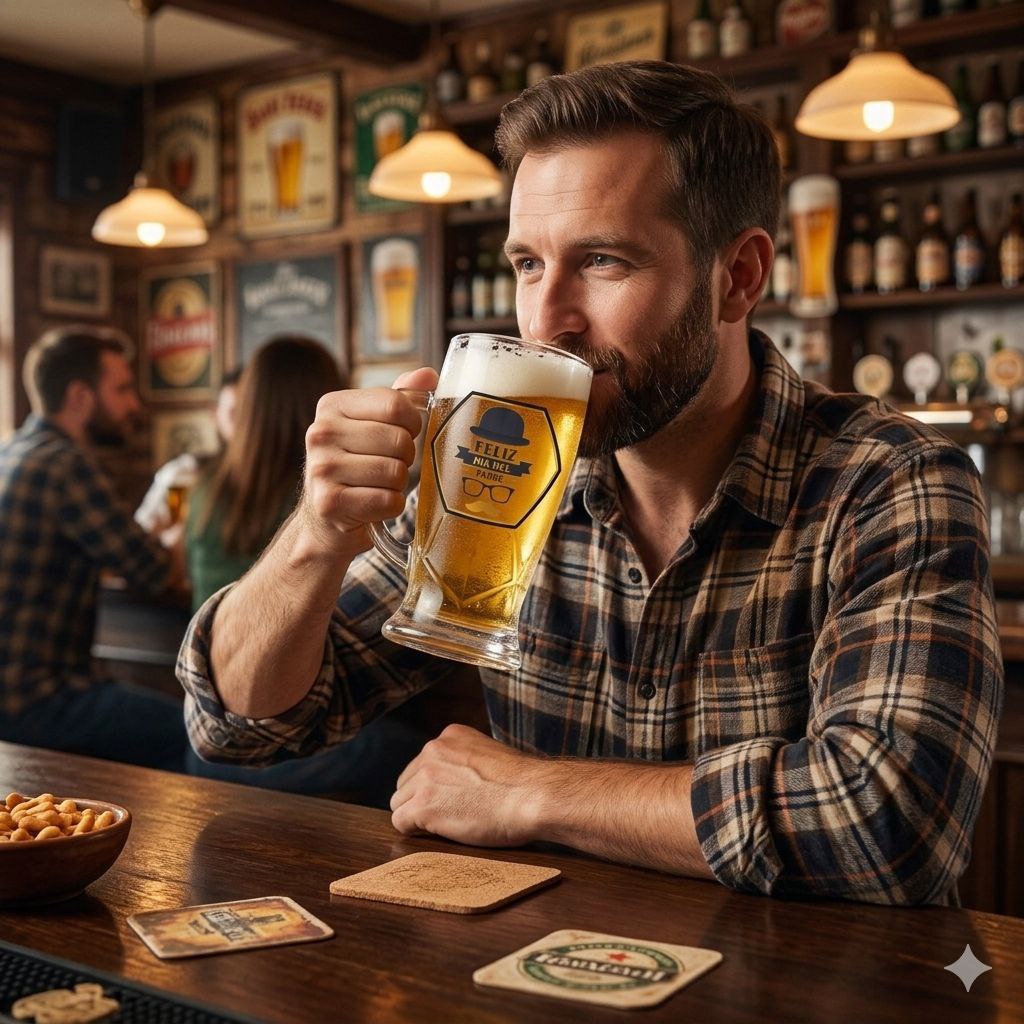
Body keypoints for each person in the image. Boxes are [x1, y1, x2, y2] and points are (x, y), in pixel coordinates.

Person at [178, 62, 1003, 905]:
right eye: (528, 264)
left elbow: (893, 823)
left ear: (740, 277)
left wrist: (529, 790)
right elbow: (241, 724)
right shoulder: (495, 471)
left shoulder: (886, 481)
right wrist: (318, 535)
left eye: (602, 261)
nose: (546, 320)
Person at [182, 336, 428, 805]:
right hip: (263, 737)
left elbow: (175, 572)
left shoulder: (206, 486)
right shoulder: (325, 495)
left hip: (204, 728)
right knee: (422, 752)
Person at [0, 330, 188, 770]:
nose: (134, 405)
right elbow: (155, 571)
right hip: (37, 703)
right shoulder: (64, 464)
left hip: (11, 700)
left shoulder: (11, 452)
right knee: (206, 737)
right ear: (80, 396)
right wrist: (178, 531)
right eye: (122, 389)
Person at [134, 367, 242, 535]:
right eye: (234, 413)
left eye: (252, 413)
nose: (247, 424)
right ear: (215, 415)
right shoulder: (184, 475)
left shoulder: (289, 478)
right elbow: (144, 531)